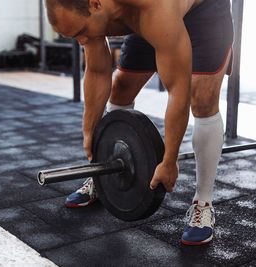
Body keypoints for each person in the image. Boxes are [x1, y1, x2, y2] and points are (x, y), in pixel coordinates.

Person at [45, 0, 233, 245]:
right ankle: (104, 179)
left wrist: (169, 160)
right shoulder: (88, 11)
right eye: (74, 36)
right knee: (121, 88)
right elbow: (98, 71)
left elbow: (178, 91)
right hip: (140, 13)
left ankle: (203, 203)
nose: (81, 40)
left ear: (96, 4)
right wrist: (90, 132)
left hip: (204, 10)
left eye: (81, 32)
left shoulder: (155, 10)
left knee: (202, 99)